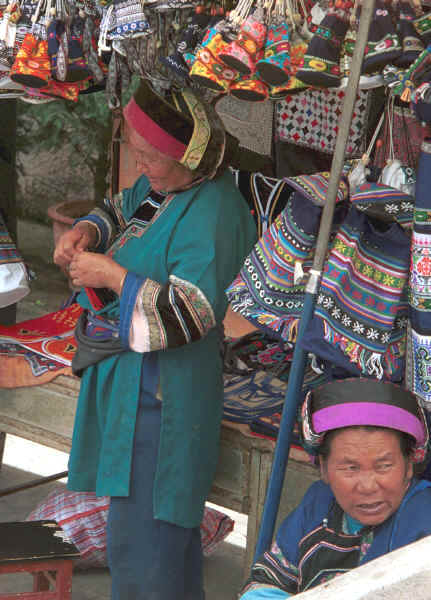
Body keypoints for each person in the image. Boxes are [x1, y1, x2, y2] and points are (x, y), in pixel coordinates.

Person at [53, 78, 257, 600]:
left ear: (188, 156)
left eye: (149, 156)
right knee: (150, 544)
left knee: (150, 547)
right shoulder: (163, 188)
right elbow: (122, 209)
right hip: (133, 393)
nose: (139, 165)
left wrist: (113, 277)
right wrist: (88, 234)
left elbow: (194, 312)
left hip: (166, 400)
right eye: (133, 150)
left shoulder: (215, 211)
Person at [240, 378, 431, 599]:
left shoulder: (423, 518)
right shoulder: (318, 504)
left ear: (409, 465)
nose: (368, 486)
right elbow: (268, 582)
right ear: (323, 468)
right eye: (350, 468)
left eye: (384, 466)